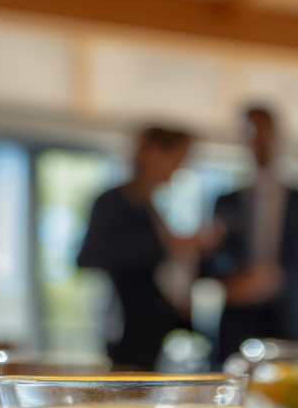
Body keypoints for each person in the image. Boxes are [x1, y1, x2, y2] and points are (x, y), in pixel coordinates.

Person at [204, 106, 298, 365]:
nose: (257, 138)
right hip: (237, 320)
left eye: (263, 129)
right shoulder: (225, 201)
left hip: (290, 317)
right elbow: (211, 259)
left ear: (277, 134)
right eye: (250, 130)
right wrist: (231, 281)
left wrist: (279, 277)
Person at [77, 126, 214, 370]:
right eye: (178, 158)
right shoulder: (113, 202)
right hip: (125, 328)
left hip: (153, 329)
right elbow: (89, 256)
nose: (180, 167)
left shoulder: (150, 206)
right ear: (151, 153)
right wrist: (168, 245)